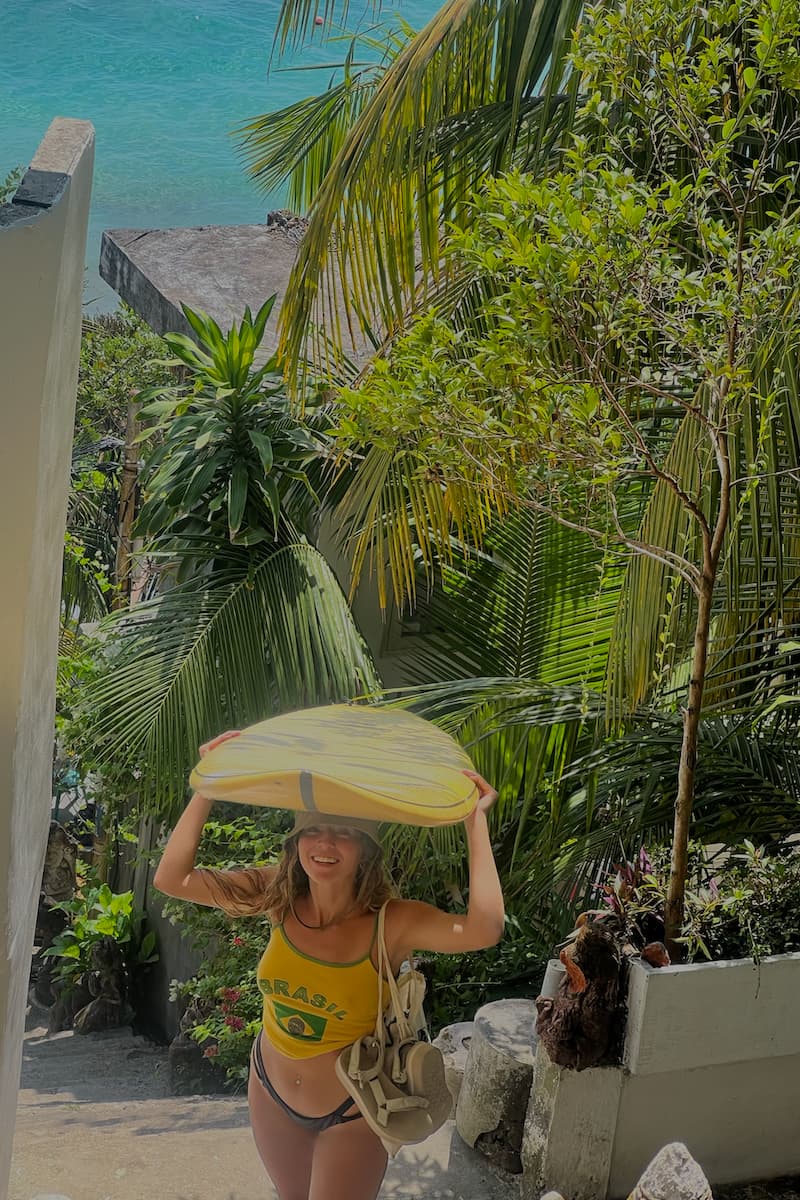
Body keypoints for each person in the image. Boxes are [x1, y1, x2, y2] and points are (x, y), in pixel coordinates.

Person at [153, 729, 504, 1200]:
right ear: (296, 842)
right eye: (313, 830)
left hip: (352, 1107)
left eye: (343, 832)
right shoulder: (278, 896)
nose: (325, 843)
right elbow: (173, 878)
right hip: (270, 1089)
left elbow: (484, 929)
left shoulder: (392, 924)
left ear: (366, 849)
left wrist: (475, 823)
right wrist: (207, 787)